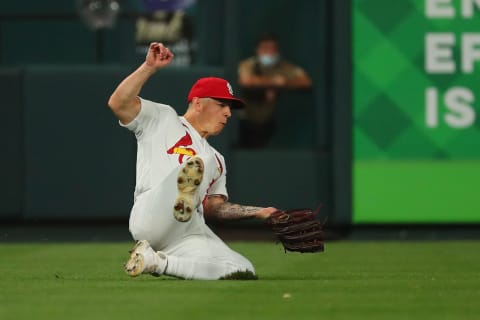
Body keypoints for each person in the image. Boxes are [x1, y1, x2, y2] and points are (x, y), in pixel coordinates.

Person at [108, 42, 278, 280]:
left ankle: (155, 262)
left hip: (187, 234)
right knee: (203, 161)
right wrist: (148, 67)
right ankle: (182, 198)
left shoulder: (218, 160)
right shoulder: (162, 118)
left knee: (242, 268)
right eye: (221, 105)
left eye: (229, 107)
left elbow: (214, 208)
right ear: (198, 103)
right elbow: (118, 103)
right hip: (152, 215)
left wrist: (259, 212)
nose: (228, 113)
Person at [237, 33, 312, 148]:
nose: (269, 52)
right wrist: (272, 83)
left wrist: (285, 83)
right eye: (265, 48)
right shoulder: (249, 65)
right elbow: (245, 80)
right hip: (245, 122)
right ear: (257, 50)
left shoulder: (283, 67)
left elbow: (305, 81)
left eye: (272, 48)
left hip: (271, 123)